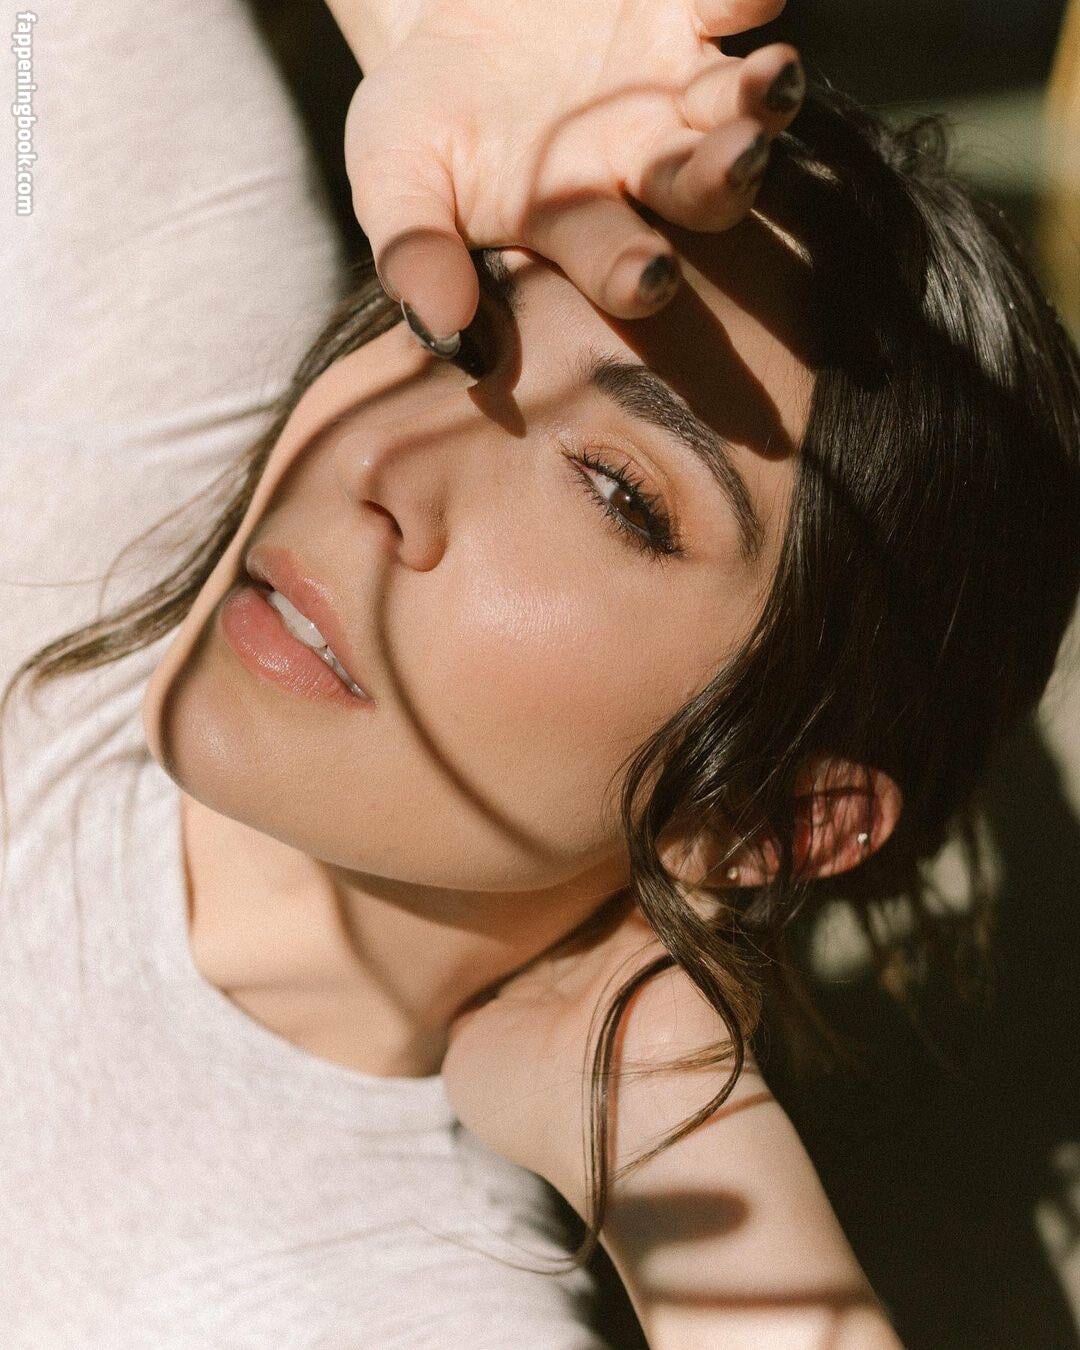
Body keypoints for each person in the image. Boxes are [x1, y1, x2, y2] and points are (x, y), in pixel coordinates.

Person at [3, 3, 1077, 1350]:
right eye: (463, 328)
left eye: (617, 492)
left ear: (777, 818)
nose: (382, 463)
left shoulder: (399, 1306)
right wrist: (417, 27)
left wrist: (672, 1127)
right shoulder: (137, 352)